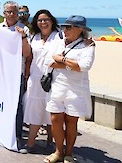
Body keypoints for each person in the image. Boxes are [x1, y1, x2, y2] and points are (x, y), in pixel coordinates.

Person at [43, 15, 95, 163]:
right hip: (57, 87)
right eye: (64, 27)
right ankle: (58, 151)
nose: (64, 30)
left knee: (71, 122)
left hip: (76, 90)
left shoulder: (88, 45)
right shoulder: (58, 43)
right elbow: (48, 61)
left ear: (80, 30)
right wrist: (71, 65)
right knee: (55, 119)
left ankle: (69, 153)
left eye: (68, 27)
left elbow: (84, 66)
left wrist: (62, 59)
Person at [22, 10, 60, 153]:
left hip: (53, 79)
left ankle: (51, 141)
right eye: (39, 20)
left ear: (51, 21)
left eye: (46, 20)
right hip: (35, 78)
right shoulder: (34, 37)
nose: (43, 23)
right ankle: (31, 143)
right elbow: (29, 57)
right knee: (35, 111)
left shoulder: (59, 37)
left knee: (51, 110)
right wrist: (26, 76)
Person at [0, 1, 31, 152]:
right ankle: (0, 130)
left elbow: (27, 53)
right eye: (8, 12)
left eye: (14, 12)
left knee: (17, 106)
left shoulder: (24, 29)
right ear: (4, 13)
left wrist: (22, 37)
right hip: (0, 73)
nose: (11, 14)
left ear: (18, 14)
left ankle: (17, 136)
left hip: (17, 74)